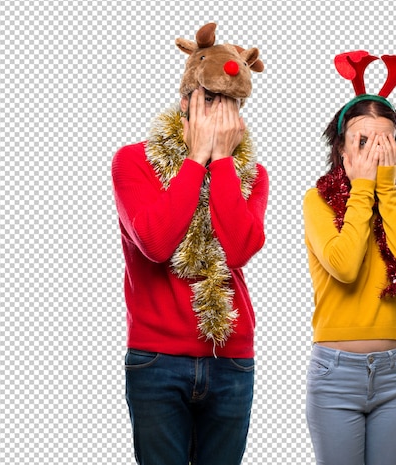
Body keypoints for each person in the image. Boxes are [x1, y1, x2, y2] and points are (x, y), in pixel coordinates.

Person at [111, 23, 267, 465]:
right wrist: (196, 158)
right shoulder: (133, 160)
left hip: (231, 359)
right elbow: (156, 242)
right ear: (185, 102)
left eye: (231, 105)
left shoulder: (251, 176)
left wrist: (220, 162)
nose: (220, 117)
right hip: (156, 361)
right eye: (210, 102)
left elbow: (238, 249)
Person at [303, 52, 396, 465]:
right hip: (335, 374)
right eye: (362, 140)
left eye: (383, 140)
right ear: (340, 147)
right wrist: (362, 189)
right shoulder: (317, 200)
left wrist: (386, 191)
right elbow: (344, 265)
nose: (374, 151)